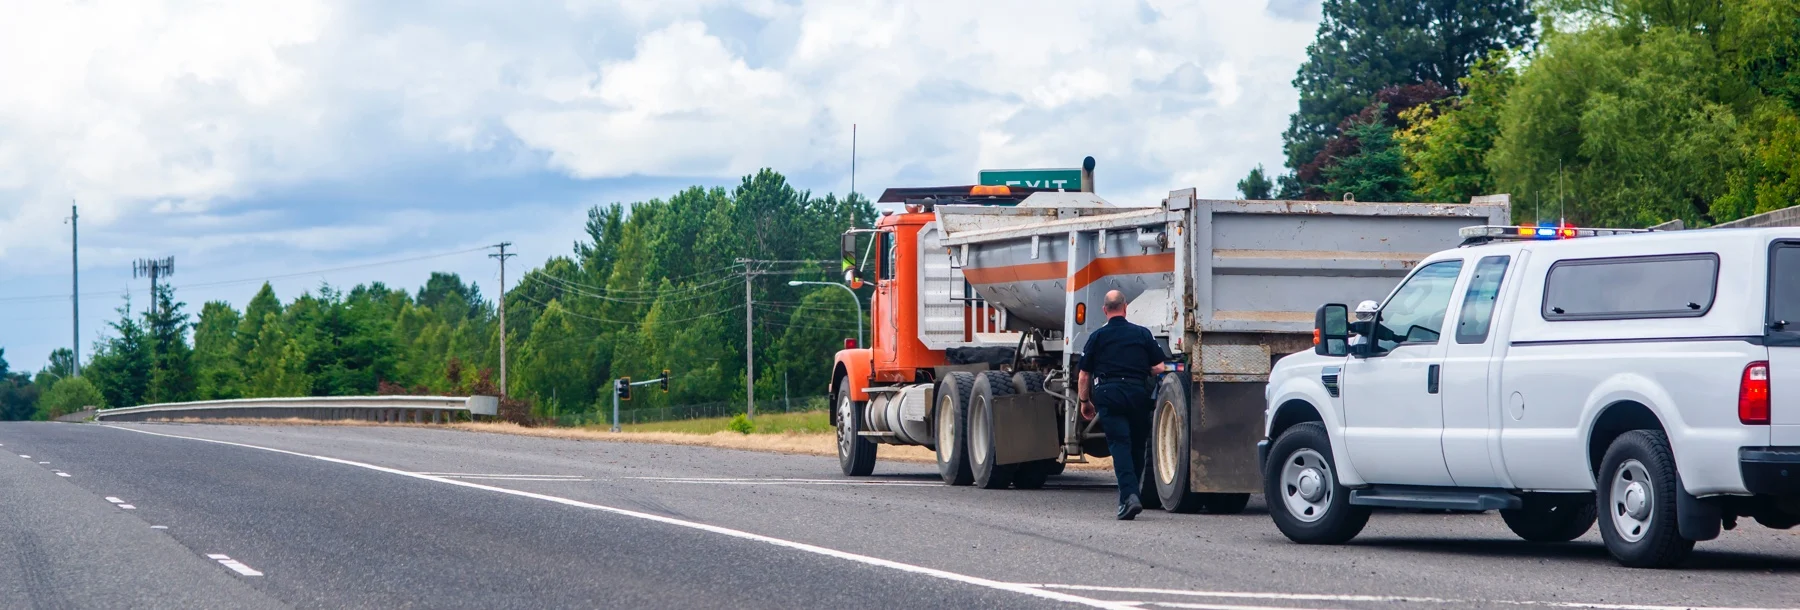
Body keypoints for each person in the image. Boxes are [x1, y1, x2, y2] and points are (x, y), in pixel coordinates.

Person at [1077, 290, 1168, 520]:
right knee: (1137, 446)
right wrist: (1142, 370)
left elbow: (1084, 375)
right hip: (1137, 393)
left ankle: (1129, 497)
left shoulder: (1097, 337)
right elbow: (1159, 367)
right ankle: (1131, 495)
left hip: (1109, 394)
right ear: (1125, 307)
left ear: (1105, 310)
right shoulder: (1142, 334)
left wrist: (1085, 402)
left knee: (1119, 445)